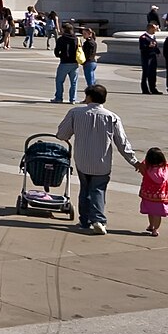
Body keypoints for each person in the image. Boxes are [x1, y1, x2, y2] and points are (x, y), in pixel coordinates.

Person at [55, 84, 139, 234]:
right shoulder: (112, 117)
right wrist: (134, 161)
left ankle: (85, 220)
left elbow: (62, 134)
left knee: (85, 189)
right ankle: (98, 220)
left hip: (82, 160)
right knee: (98, 190)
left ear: (89, 97)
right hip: (102, 162)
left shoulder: (75, 113)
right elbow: (122, 143)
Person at [138, 146, 168, 237]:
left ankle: (151, 225)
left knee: (150, 211)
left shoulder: (147, 168)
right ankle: (155, 229)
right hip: (160, 195)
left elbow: (142, 169)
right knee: (158, 214)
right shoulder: (165, 169)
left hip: (148, 194)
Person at [52, 23, 81, 103]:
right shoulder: (76, 39)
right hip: (74, 63)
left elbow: (57, 51)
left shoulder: (61, 39)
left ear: (64, 29)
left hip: (64, 62)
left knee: (59, 81)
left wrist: (60, 55)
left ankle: (58, 98)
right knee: (74, 82)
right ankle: (73, 99)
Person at [137, 22, 162, 94]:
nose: (156, 30)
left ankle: (153, 88)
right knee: (146, 73)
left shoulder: (153, 36)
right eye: (154, 28)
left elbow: (155, 46)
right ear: (150, 28)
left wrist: (157, 52)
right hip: (146, 58)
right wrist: (148, 46)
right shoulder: (143, 37)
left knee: (153, 74)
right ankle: (145, 89)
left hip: (153, 57)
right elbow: (142, 47)